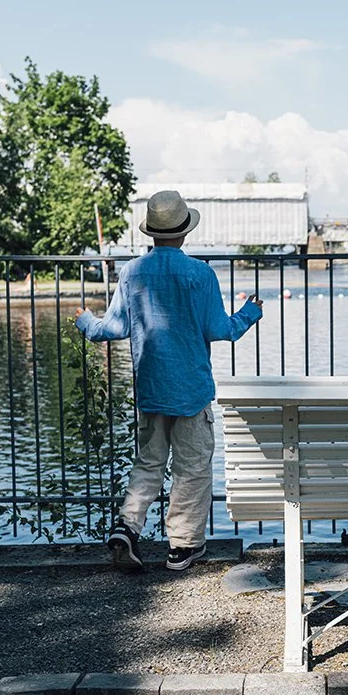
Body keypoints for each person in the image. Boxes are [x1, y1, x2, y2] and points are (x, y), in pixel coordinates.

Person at [76, 190, 263, 573]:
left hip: (151, 387)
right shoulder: (200, 274)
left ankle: (128, 528)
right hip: (191, 390)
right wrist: (250, 312)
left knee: (148, 463)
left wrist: (85, 321)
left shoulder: (131, 272)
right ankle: (182, 547)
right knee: (192, 468)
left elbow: (112, 328)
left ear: (152, 232)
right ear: (183, 232)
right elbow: (220, 329)